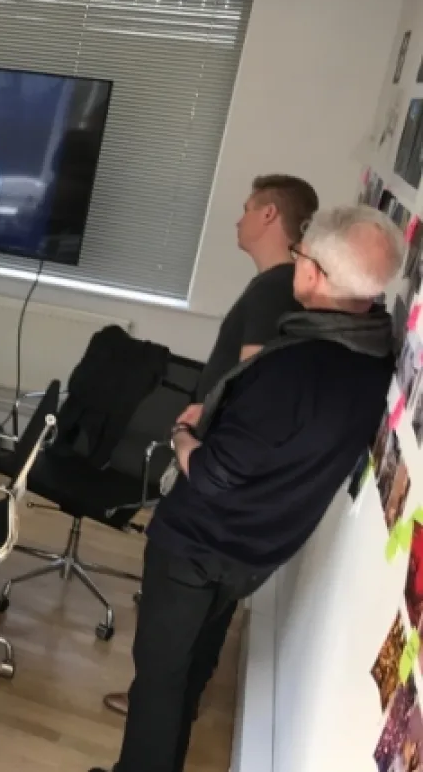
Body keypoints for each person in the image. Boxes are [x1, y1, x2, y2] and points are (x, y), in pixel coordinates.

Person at [91, 205, 404, 772]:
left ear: (315, 273)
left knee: (159, 678)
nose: (296, 265)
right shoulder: (374, 358)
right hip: (257, 550)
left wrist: (185, 433)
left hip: (198, 545)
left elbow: (212, 473)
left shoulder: (296, 368)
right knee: (189, 668)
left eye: (301, 256)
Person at [101, 172, 318, 717]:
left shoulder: (275, 285)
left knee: (177, 609)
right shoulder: (283, 285)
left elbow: (254, 382)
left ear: (271, 216)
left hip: (211, 472)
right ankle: (181, 700)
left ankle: (157, 705)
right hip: (227, 475)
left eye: (248, 207)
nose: (238, 218)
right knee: (208, 607)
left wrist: (195, 435)